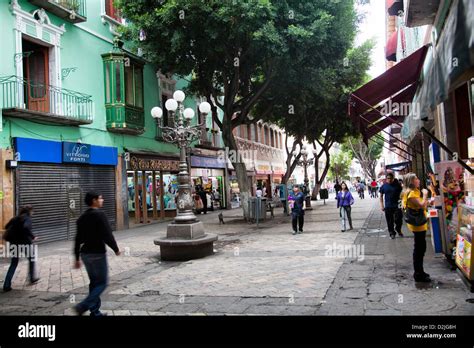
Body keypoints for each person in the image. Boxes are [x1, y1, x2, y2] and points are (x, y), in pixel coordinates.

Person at [73, 192, 120, 316]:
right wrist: (116, 249)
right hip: (97, 253)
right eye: (100, 198)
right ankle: (82, 306)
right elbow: (107, 235)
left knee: (94, 283)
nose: (102, 200)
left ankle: (95, 312)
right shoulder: (100, 215)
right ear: (94, 200)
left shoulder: (82, 217)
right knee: (102, 283)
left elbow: (77, 239)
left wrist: (77, 257)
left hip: (85, 254)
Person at [402, 173, 431, 283]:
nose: (418, 180)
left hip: (418, 223)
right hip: (417, 224)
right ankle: (418, 274)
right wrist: (425, 194)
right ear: (411, 182)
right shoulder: (412, 194)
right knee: (419, 248)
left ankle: (420, 271)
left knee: (420, 248)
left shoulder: (411, 192)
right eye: (416, 179)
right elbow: (422, 204)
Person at [3, 205, 39, 292]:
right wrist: (33, 236)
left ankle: (6, 284)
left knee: (14, 263)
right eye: (32, 211)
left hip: (14, 244)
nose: (32, 213)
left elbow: (6, 226)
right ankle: (32, 278)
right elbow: (26, 227)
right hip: (25, 244)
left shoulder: (15, 218)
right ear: (29, 211)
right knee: (31, 259)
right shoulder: (27, 218)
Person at [380, 173, 403, 239]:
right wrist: (382, 205)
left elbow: (401, 195)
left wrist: (401, 205)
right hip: (388, 206)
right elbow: (381, 196)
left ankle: (398, 229)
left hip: (397, 205)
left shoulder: (397, 185)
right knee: (389, 221)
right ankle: (392, 233)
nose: (389, 180)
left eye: (390, 178)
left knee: (398, 219)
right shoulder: (384, 186)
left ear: (393, 178)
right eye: (388, 178)